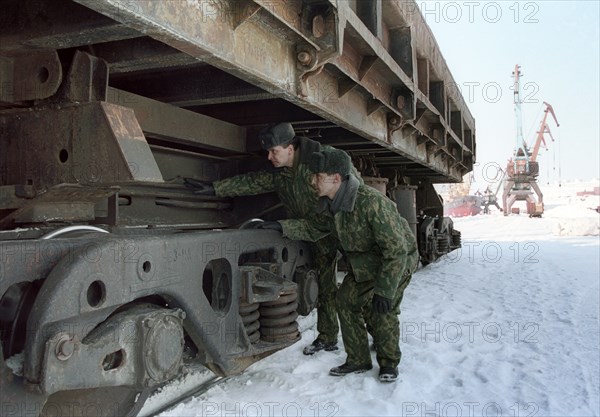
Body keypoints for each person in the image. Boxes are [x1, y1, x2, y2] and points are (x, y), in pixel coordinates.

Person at [185, 122, 355, 355]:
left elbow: (351, 188)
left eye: (274, 151)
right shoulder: (281, 174)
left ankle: (375, 340)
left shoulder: (320, 162)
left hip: (336, 233)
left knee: (353, 288)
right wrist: (215, 189)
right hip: (308, 234)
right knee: (325, 288)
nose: (269, 156)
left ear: (290, 148)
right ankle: (327, 337)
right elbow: (252, 182)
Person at [278, 148, 418, 383]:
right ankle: (358, 359)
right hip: (364, 264)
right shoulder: (329, 205)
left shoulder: (371, 203)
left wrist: (384, 290)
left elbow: (396, 250)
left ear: (336, 178)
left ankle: (389, 363)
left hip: (395, 262)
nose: (312, 181)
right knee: (346, 301)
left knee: (383, 310)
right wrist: (279, 227)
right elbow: (314, 229)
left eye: (318, 176)